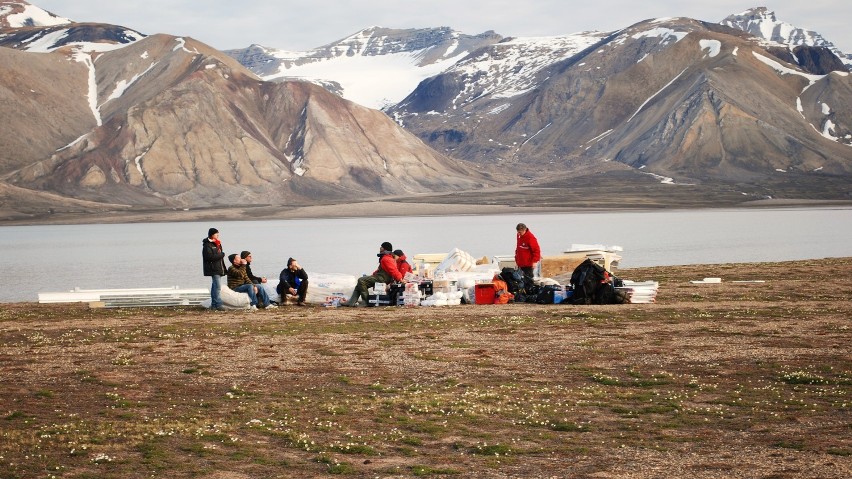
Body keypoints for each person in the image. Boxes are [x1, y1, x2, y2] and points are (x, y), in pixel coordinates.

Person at [342, 241, 403, 307]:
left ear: (385, 249)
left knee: (361, 280)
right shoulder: (387, 257)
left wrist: (400, 279)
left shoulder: (386, 258)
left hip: (382, 278)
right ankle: (351, 302)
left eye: (381, 247)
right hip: (380, 277)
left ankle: (365, 301)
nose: (380, 248)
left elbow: (394, 270)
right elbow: (380, 270)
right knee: (359, 284)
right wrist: (372, 276)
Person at [202, 228, 226, 311]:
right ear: (212, 235)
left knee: (215, 287)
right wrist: (222, 255)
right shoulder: (207, 245)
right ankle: (218, 304)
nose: (218, 235)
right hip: (213, 269)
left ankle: (214, 305)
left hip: (218, 268)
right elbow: (208, 257)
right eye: (216, 234)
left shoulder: (217, 244)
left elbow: (219, 258)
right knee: (218, 287)